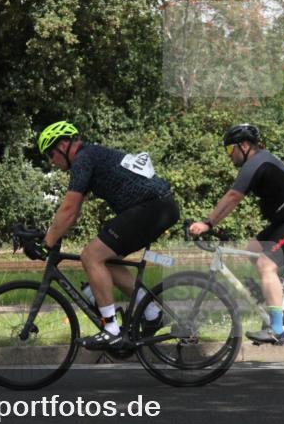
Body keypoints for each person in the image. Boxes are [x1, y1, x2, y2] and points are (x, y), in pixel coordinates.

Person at [37, 121, 180, 349]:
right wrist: (51, 233)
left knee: (91, 256)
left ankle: (111, 329)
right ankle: (152, 313)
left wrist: (47, 243)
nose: (51, 161)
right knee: (105, 261)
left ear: (64, 145)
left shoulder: (83, 159)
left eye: (51, 154)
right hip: (159, 207)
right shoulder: (91, 156)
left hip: (150, 207)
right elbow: (72, 213)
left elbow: (69, 209)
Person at [188, 123, 284, 343]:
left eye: (229, 149)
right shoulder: (258, 161)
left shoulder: (256, 162)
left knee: (266, 264)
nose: (228, 155)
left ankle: (276, 329)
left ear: (244, 146)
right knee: (252, 249)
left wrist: (208, 223)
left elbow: (233, 197)